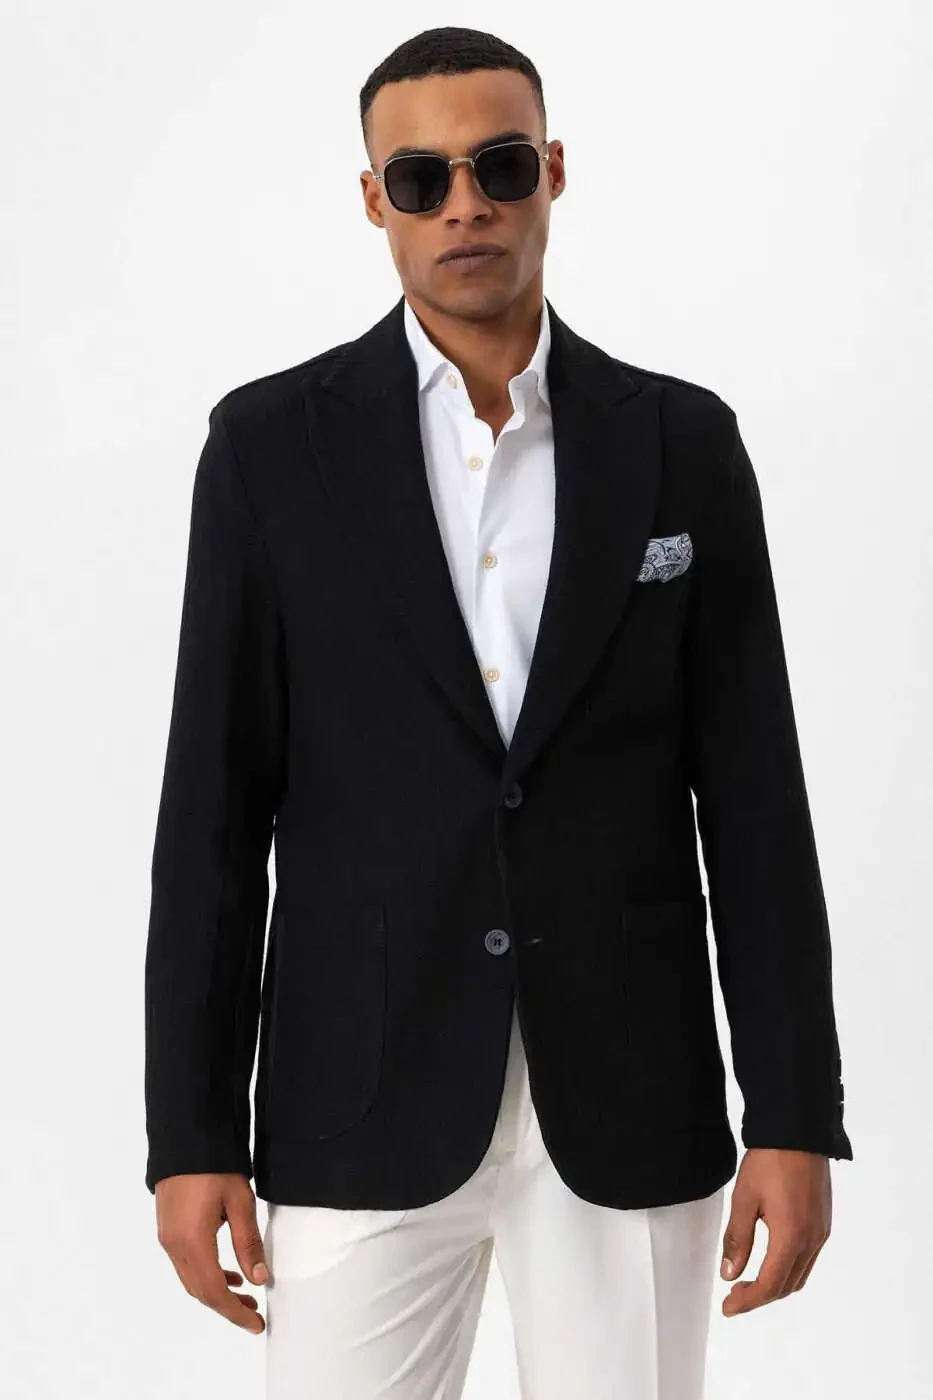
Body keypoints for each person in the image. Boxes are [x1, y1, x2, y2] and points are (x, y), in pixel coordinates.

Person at [144, 24, 853, 1400]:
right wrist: (191, 1133)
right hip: (358, 1090)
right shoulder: (269, 449)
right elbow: (214, 816)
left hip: (629, 1088)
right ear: (375, 201)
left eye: (500, 165)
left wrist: (794, 1112)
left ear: (553, 173)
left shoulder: (680, 443)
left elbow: (756, 799)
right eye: (421, 180)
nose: (463, 204)